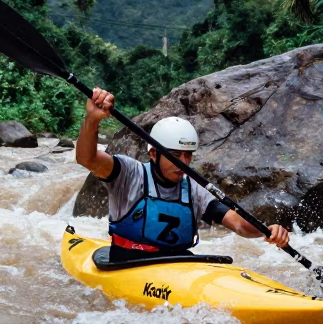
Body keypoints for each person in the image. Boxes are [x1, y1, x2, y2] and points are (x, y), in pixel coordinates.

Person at [76, 88, 290, 260]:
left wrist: (266, 230)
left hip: (178, 265)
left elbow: (239, 223)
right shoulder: (130, 174)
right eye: (175, 154)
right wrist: (92, 120)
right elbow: (87, 159)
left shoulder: (195, 188)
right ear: (153, 153)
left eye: (188, 155)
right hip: (128, 263)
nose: (184, 162)